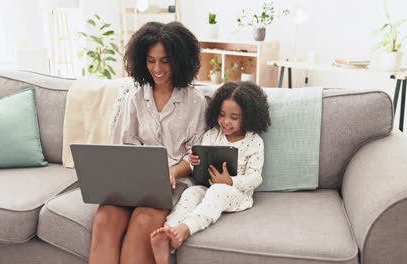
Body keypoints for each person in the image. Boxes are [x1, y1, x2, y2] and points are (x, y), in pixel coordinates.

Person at [89, 21, 207, 264]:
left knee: (144, 220)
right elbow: (123, 146)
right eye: (151, 60)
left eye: (165, 60)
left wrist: (172, 171)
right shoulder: (134, 97)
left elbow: (195, 155)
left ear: (179, 60)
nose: (158, 68)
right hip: (132, 181)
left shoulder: (195, 102)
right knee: (105, 216)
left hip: (173, 182)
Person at [150, 81, 271, 264]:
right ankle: (168, 233)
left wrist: (230, 181)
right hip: (206, 187)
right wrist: (192, 162)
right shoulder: (212, 135)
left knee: (217, 191)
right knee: (191, 193)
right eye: (222, 115)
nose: (226, 122)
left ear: (248, 117)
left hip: (237, 194)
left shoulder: (254, 142)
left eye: (234, 117)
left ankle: (184, 230)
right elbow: (197, 165)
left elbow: (255, 177)